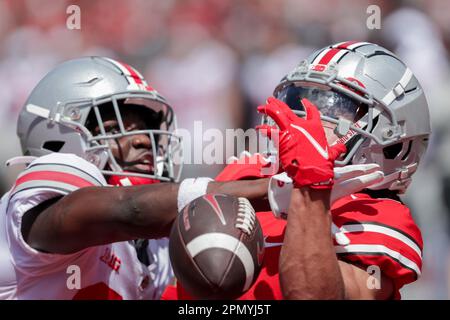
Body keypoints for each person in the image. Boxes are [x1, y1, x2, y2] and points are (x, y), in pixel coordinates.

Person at [162, 41, 429, 300]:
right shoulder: (249, 169)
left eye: (336, 107)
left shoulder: (379, 215)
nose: (306, 114)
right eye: (300, 99)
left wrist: (311, 186)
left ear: (395, 143)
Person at [0, 57, 270, 300]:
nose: (142, 140)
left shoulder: (156, 247)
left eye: (145, 128)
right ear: (58, 138)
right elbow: (130, 210)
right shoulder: (43, 194)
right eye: (114, 128)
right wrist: (272, 190)